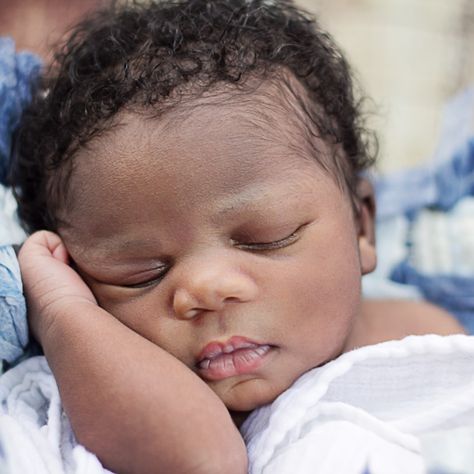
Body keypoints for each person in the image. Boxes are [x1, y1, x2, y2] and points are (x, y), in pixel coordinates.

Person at [10, 0, 465, 472]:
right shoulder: (118, 395)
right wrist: (62, 312)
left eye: (267, 238)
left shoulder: (426, 327)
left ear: (361, 226)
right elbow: (202, 459)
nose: (207, 289)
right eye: (141, 273)